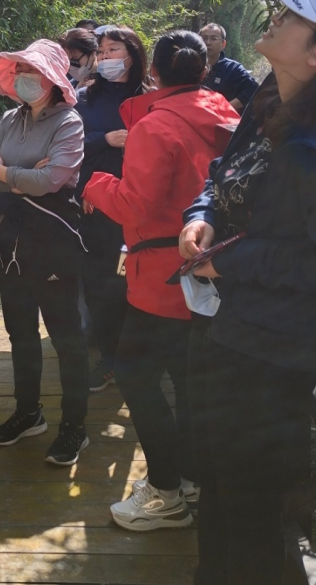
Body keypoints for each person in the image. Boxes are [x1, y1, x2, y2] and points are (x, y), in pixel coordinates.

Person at [177, 0, 316, 585]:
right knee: (214, 479)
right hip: (222, 328)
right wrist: (200, 216)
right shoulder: (269, 103)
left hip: (271, 351)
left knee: (249, 503)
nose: (279, 16)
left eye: (296, 16)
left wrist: (231, 262)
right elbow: (221, 178)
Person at [83, 32, 239, 532]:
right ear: (204, 70)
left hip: (161, 276)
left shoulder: (156, 126)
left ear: (152, 72)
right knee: (186, 381)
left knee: (134, 373)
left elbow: (136, 205)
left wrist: (96, 184)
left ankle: (165, 491)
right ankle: (189, 477)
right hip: (210, 271)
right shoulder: (225, 116)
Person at [0, 40, 90, 466]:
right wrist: (21, 175)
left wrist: (5, 172)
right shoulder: (10, 118)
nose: (25, 76)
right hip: (10, 241)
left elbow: (52, 180)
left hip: (52, 242)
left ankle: (75, 426)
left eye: (34, 70)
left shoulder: (69, 122)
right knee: (20, 332)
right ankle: (28, 412)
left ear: (54, 78)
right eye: (21, 69)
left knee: (66, 337)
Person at [78, 26, 151, 392]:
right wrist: (103, 140)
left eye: (113, 50)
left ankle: (138, 358)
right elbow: (71, 145)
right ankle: (109, 358)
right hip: (96, 207)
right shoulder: (85, 98)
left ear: (133, 55)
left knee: (134, 282)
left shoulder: (151, 98)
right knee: (100, 284)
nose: (106, 57)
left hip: (141, 209)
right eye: (102, 51)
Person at [200, 23, 258, 111]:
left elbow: (253, 89)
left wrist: (224, 109)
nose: (208, 42)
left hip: (221, 118)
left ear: (223, 44)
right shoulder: (190, 65)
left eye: (213, 38)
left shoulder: (233, 69)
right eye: (204, 38)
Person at [60, 27, 99, 98]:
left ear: (93, 53)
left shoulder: (108, 84)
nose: (70, 66)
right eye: (66, 62)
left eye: (74, 61)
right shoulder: (67, 87)